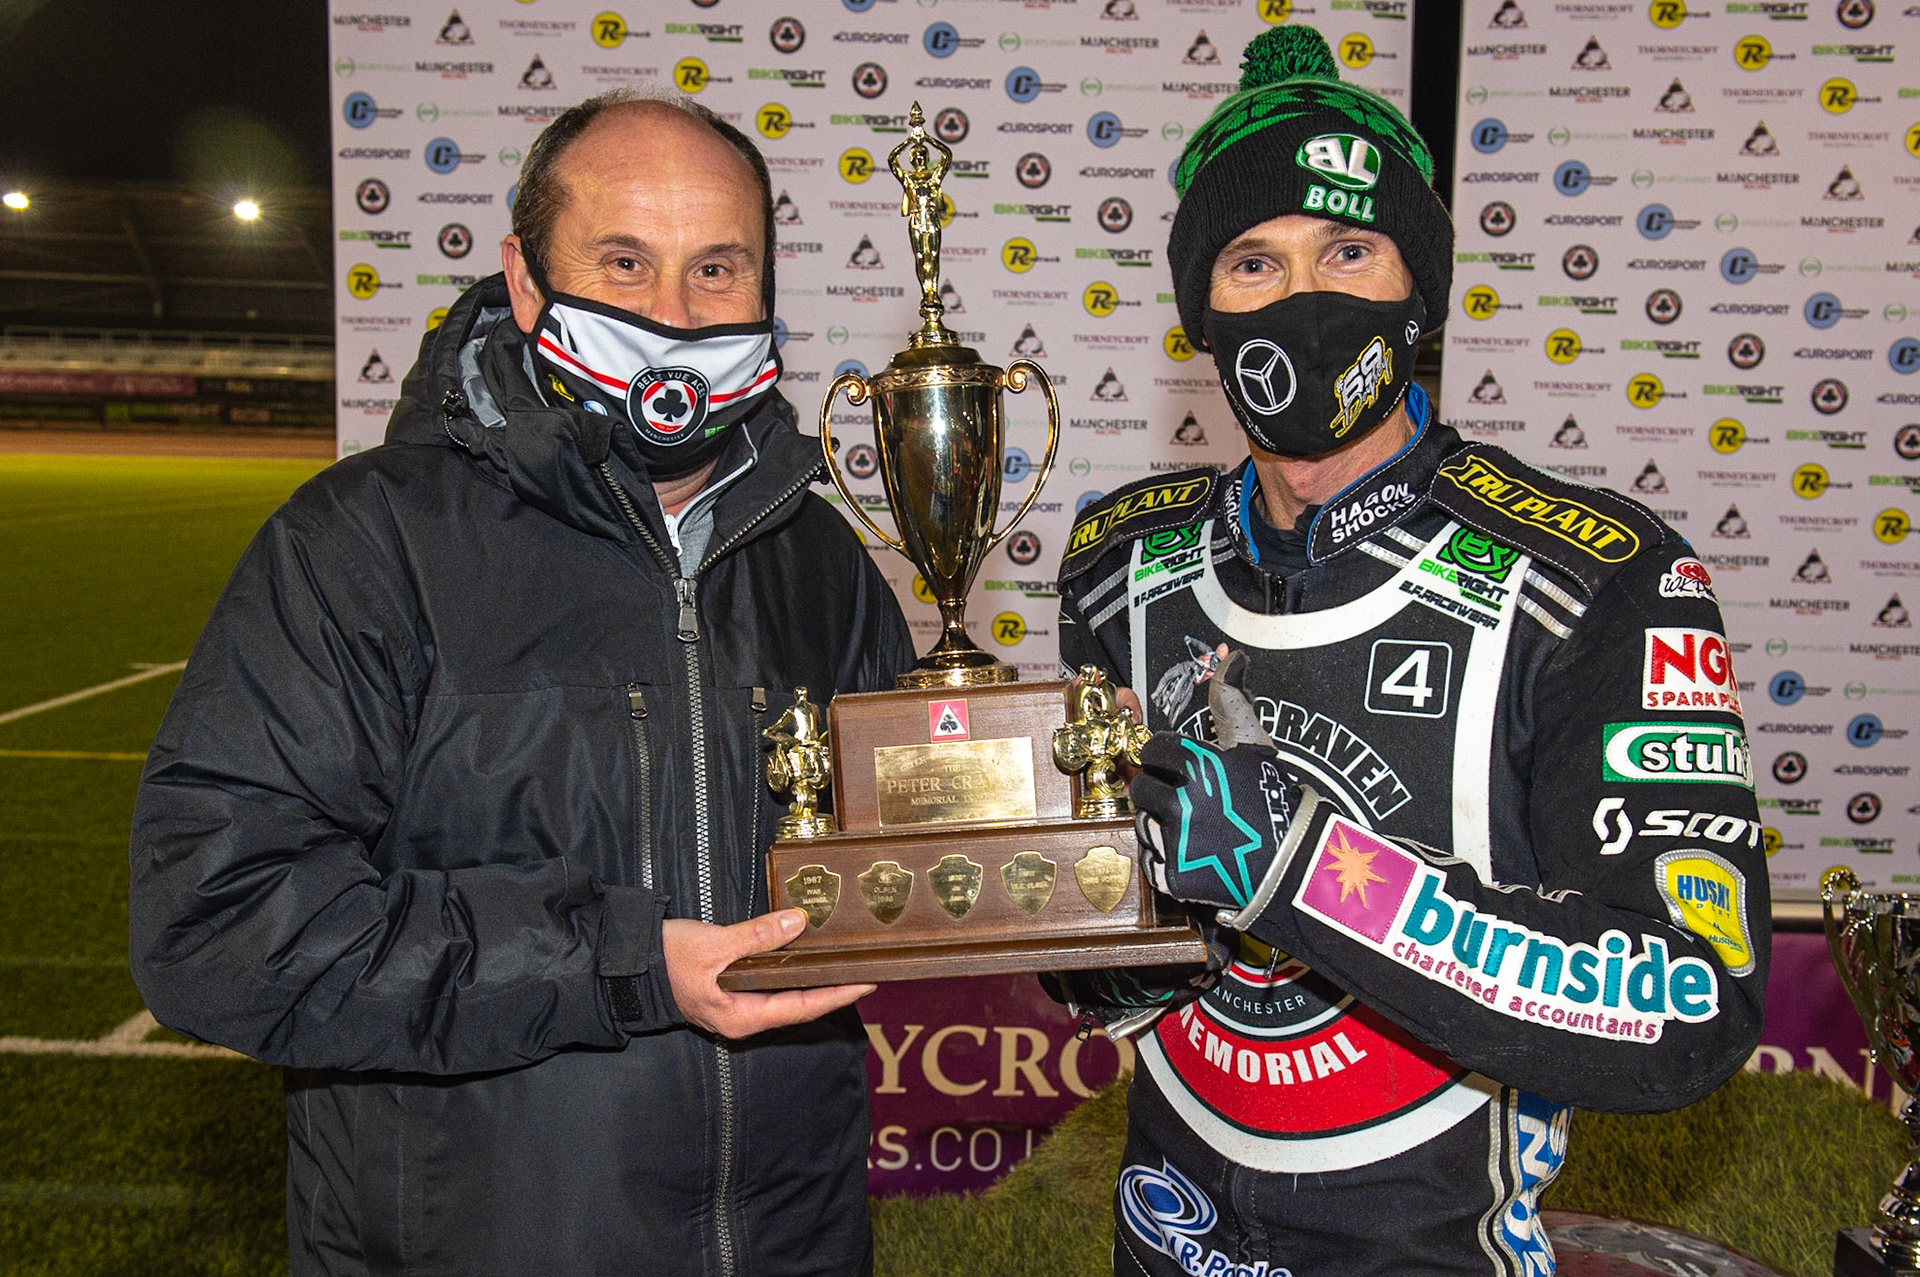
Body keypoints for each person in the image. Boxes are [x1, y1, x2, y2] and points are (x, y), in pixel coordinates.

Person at [129, 92, 913, 1276]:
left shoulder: (823, 563)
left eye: (717, 267)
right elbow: (215, 920)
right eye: (623, 260)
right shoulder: (364, 545)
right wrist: (624, 962)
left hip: (793, 1241)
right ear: (527, 277)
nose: (672, 312)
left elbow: (903, 870)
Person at [1051, 28, 1767, 1276]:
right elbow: (1090, 946)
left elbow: (1688, 1007)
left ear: (1417, 283)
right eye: (1251, 260)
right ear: (1198, 309)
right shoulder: (1117, 560)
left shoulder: (1600, 572)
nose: (1302, 297)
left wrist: (1304, 872)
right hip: (1169, 1239)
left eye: (1349, 249)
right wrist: (1126, 944)